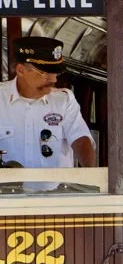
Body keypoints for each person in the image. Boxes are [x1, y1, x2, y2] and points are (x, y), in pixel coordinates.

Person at [0, 37, 96, 169]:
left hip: (57, 189)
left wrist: (90, 174)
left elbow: (80, 139)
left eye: (55, 73)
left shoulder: (64, 100)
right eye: (44, 72)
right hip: (8, 188)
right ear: (21, 70)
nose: (53, 79)